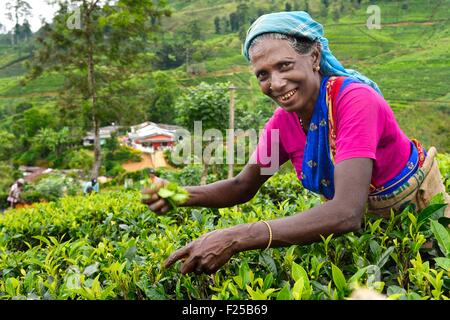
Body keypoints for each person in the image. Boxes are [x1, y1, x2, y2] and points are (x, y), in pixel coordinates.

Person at [141, 11, 450, 275]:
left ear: (314, 57)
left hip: (426, 227)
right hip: (372, 239)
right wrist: (178, 194)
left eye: (284, 66)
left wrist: (234, 237)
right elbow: (242, 187)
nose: (275, 84)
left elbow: (346, 212)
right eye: (263, 74)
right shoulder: (284, 123)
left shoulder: (354, 100)